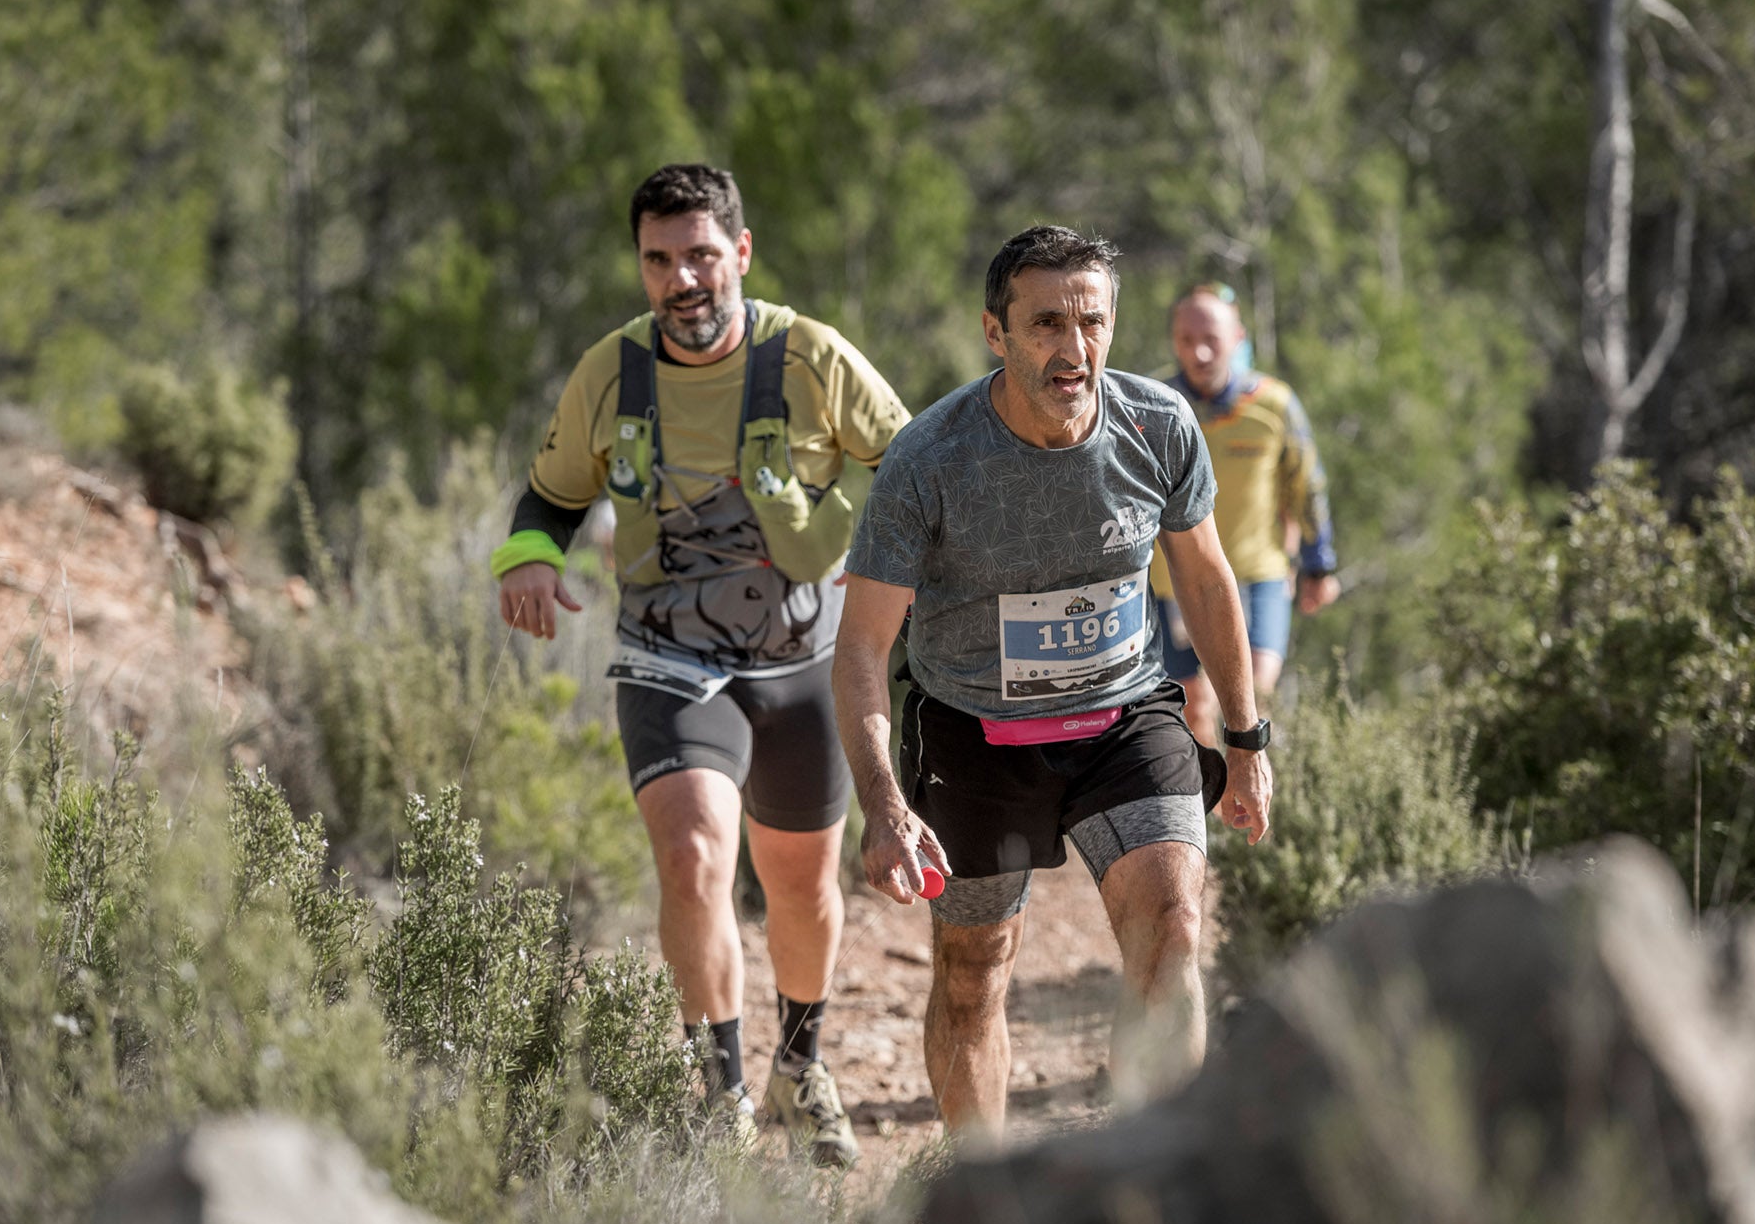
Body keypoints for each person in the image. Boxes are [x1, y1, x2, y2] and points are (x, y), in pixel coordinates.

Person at [493, 164, 911, 1168]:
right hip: (665, 657)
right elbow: (549, 497)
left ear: (741, 253)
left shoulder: (808, 356)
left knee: (801, 888)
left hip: (803, 660)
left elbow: (907, 469)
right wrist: (529, 562)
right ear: (640, 265)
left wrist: (891, 583)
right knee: (690, 858)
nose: (682, 280)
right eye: (659, 260)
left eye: (701, 257)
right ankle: (719, 1093)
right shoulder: (613, 371)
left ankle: (799, 1063)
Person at [831, 225, 1272, 1141]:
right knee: (973, 972)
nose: (1074, 351)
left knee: (1175, 927)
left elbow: (1205, 577)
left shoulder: (1157, 425)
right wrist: (883, 804)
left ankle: (1154, 1171)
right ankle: (981, 1201)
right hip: (974, 732)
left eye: (1093, 322)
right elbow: (864, 646)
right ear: (996, 332)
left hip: (1125, 718)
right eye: (1045, 325)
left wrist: (1246, 736)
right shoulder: (930, 458)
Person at [1155, 284, 1340, 746]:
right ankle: (1213, 811)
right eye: (1185, 338)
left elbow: (1307, 485)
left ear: (1237, 337)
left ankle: (1263, 808)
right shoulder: (1153, 406)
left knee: (1253, 699)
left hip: (1257, 576)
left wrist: (1319, 566)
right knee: (1194, 708)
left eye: (1211, 338)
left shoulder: (1274, 404)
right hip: (1174, 583)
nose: (1198, 351)